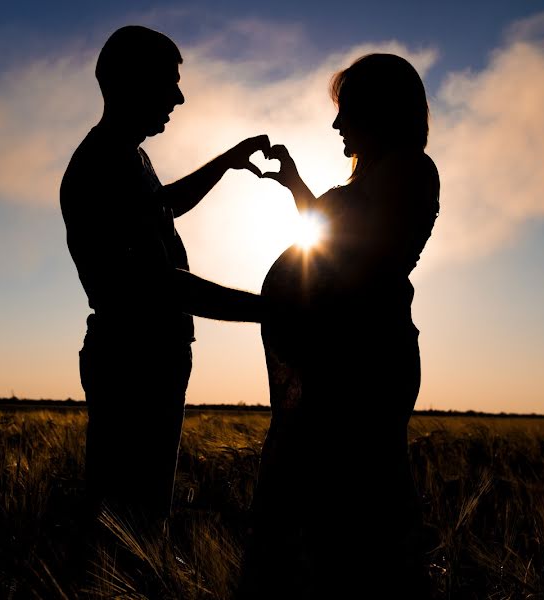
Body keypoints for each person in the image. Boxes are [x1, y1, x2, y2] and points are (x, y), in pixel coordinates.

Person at [239, 53, 440, 598]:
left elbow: (362, 264)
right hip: (339, 359)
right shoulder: (379, 175)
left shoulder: (408, 170)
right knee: (324, 511)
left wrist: (295, 305)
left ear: (378, 111)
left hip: (365, 363)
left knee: (353, 510)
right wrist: (297, 187)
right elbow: (333, 244)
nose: (335, 125)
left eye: (345, 110)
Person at [60, 25, 271, 529]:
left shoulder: (127, 156)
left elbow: (163, 207)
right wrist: (269, 309)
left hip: (148, 353)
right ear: (131, 82)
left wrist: (226, 161)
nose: (178, 96)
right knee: (129, 518)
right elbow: (161, 283)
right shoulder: (101, 164)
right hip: (135, 357)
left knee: (137, 512)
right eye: (168, 82)